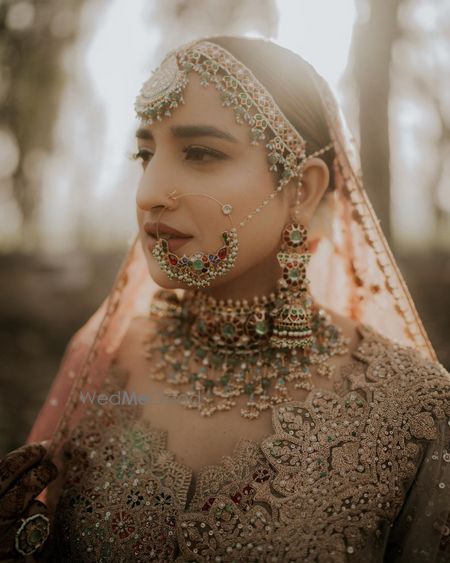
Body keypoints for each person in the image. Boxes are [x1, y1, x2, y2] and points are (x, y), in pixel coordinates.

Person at [1, 36, 449, 562]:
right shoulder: (107, 360)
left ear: (301, 190)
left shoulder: (415, 409)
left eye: (202, 153)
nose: (149, 191)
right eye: (144, 154)